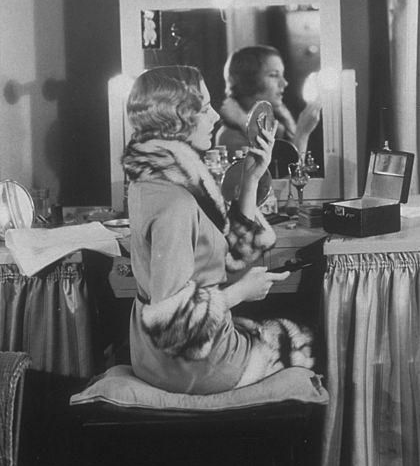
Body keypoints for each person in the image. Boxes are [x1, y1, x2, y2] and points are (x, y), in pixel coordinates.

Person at [122, 64, 315, 393]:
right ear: (178, 118)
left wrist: (252, 178)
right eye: (204, 107)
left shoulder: (153, 180)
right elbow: (173, 325)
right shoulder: (175, 203)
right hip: (192, 365)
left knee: (278, 320)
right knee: (313, 338)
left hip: (153, 355)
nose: (215, 117)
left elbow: (222, 253)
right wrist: (243, 292)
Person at [216, 45, 321, 161]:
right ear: (248, 81)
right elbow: (284, 177)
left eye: (282, 75)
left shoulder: (277, 126)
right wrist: (302, 134)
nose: (284, 83)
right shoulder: (232, 138)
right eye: (274, 75)